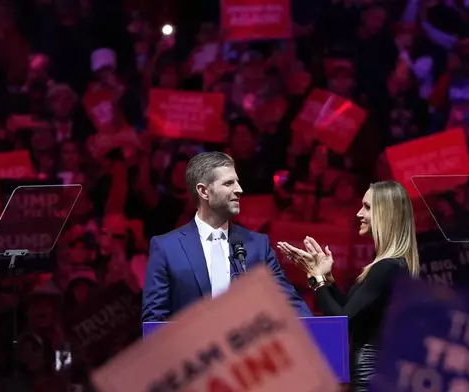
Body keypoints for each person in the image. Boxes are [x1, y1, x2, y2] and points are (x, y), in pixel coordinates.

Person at [277, 180, 419, 392]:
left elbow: (341, 323)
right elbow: (351, 311)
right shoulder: (392, 264)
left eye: (367, 207)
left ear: (386, 214)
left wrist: (315, 278)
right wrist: (327, 278)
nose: (359, 213)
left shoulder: (387, 267)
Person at [143, 151, 311, 321]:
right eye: (229, 183)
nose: (239, 190)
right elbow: (154, 321)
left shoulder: (258, 245)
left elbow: (291, 305)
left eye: (237, 182)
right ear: (203, 191)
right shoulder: (166, 248)